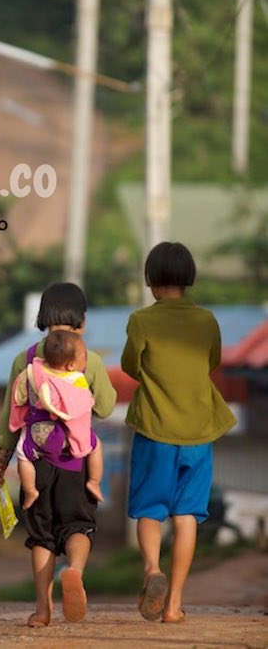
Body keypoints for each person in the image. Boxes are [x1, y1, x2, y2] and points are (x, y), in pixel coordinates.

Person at [121, 242, 236, 624]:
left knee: (151, 511)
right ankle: (173, 607)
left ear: (151, 281)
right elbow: (212, 360)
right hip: (198, 433)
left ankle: (153, 569)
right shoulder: (206, 321)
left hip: (155, 430)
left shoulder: (141, 320)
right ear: (189, 279)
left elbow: (130, 366)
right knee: (187, 515)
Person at [0, 282, 116, 627]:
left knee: (42, 536)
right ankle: (73, 569)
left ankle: (42, 610)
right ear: (82, 320)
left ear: (43, 317)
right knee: (77, 526)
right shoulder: (89, 359)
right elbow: (105, 407)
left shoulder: (25, 359)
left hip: (37, 462)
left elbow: (8, 413)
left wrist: (1, 456)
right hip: (76, 463)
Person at [10, 329, 104, 510]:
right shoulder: (77, 379)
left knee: (23, 454)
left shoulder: (31, 373)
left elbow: (19, 397)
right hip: (67, 439)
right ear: (70, 365)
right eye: (83, 357)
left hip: (37, 436)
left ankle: (30, 490)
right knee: (95, 445)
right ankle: (94, 481)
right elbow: (84, 404)